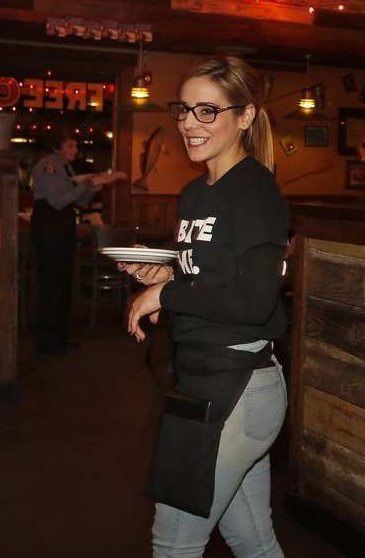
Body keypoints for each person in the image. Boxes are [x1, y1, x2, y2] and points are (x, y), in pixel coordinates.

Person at [122, 56, 288, 556]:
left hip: (238, 384)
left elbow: (255, 301)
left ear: (245, 116)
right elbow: (215, 279)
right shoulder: (195, 193)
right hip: (203, 378)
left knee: (174, 542)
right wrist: (170, 276)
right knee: (252, 539)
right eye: (185, 109)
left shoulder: (255, 190)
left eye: (208, 111)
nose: (190, 123)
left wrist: (166, 294)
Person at [30, 127, 109, 354]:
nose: (75, 149)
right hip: (49, 223)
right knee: (51, 280)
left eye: (75, 145)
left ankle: (61, 336)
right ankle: (47, 339)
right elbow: (56, 202)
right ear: (58, 147)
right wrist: (82, 187)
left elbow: (76, 201)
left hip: (61, 223)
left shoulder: (66, 167)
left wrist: (91, 189)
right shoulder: (49, 165)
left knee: (64, 279)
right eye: (70, 145)